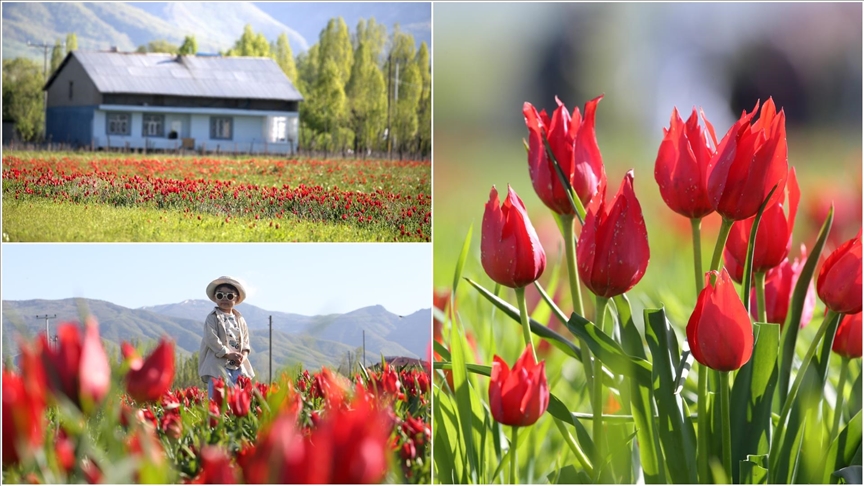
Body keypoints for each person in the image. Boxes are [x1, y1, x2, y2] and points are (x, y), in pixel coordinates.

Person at [198, 276, 255, 398]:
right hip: (217, 366)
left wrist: (243, 356)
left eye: (229, 296)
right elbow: (211, 339)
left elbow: (245, 341)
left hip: (238, 366)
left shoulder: (240, 319)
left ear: (236, 298)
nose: (224, 299)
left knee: (236, 399)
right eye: (220, 295)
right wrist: (228, 354)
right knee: (217, 400)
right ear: (215, 298)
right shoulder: (212, 318)